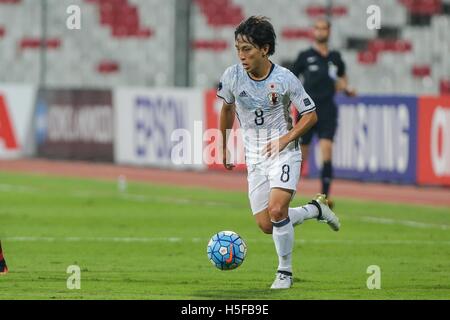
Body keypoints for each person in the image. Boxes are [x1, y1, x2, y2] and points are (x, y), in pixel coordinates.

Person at [218, 16, 340, 290]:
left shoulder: (285, 79)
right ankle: (315, 209)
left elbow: (310, 115)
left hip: (284, 151)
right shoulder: (232, 76)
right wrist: (223, 144)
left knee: (276, 209)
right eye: (238, 48)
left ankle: (284, 272)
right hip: (254, 155)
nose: (241, 55)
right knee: (266, 224)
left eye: (247, 48)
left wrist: (286, 139)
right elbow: (226, 110)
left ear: (264, 48)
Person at [291, 18, 356, 208]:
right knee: (301, 155)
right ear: (314, 31)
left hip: (327, 109)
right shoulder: (305, 56)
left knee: (327, 151)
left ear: (329, 31)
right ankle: (288, 191)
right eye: (317, 28)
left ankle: (324, 198)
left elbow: (342, 78)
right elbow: (291, 78)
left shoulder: (335, 57)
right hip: (306, 110)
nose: (320, 31)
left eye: (324, 28)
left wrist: (347, 88)